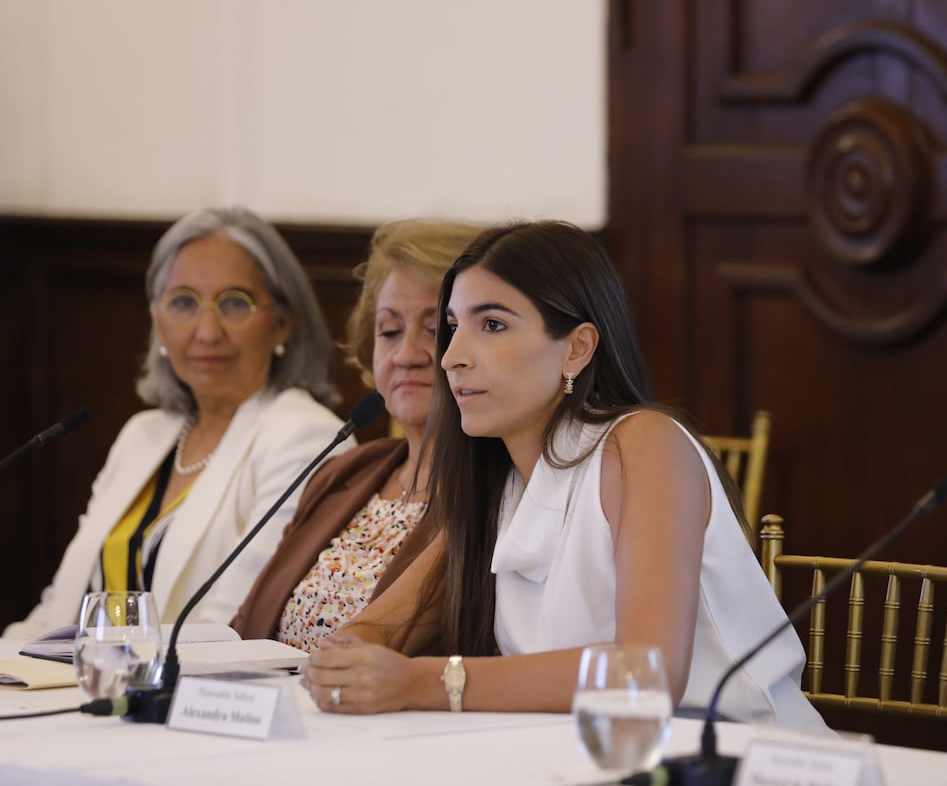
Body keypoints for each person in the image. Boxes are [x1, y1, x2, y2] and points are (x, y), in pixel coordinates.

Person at [299, 220, 826, 731]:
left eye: (493, 325)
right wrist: (349, 656)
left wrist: (421, 681)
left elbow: (648, 674)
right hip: (579, 758)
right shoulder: (500, 481)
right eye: (455, 328)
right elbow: (383, 625)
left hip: (735, 758)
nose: (451, 358)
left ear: (577, 347)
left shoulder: (644, 444)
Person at [3, 206, 351, 639]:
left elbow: (233, 621)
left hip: (185, 695)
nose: (207, 332)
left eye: (235, 304)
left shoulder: (304, 437)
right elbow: (63, 602)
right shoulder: (143, 435)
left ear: (283, 323)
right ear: (156, 320)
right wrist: (3, 667)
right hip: (85, 685)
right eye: (184, 302)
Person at [231, 219, 483, 649]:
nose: (406, 355)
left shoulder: (502, 489)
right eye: (389, 331)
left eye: (437, 330)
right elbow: (247, 624)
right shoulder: (343, 473)